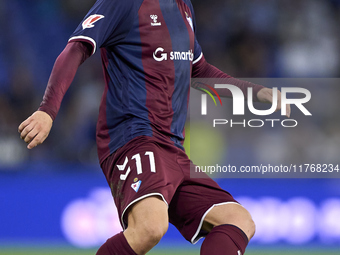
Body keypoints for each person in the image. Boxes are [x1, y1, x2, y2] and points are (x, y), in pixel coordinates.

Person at [19, 0, 290, 254]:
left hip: (173, 147)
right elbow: (76, 47)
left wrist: (256, 92)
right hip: (133, 136)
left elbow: (200, 71)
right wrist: (48, 110)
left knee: (238, 220)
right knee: (149, 228)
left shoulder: (183, 6)